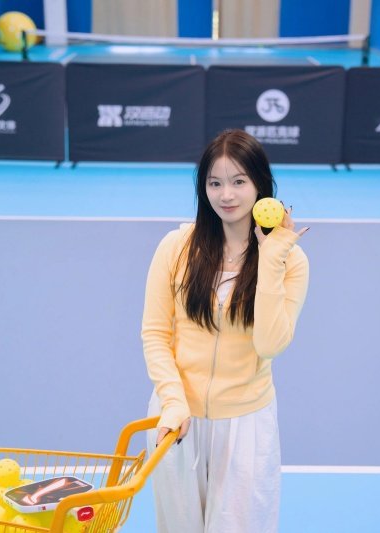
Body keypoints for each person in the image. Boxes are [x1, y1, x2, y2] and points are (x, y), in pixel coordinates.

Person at [141, 129, 310, 532]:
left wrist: (271, 257)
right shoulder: (176, 245)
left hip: (245, 425)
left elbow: (269, 344)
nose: (226, 195)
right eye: (214, 183)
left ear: (260, 186)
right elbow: (155, 333)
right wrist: (173, 401)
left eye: (238, 181)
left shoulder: (291, 261)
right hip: (177, 419)